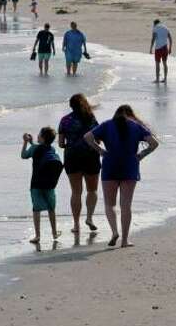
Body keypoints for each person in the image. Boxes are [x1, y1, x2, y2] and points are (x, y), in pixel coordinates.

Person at [83, 104, 159, 248]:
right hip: (130, 166)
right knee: (126, 206)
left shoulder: (107, 125)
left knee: (109, 204)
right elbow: (154, 143)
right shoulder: (136, 126)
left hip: (110, 164)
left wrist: (100, 151)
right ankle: (124, 240)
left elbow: (87, 137)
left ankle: (114, 232)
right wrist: (141, 154)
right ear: (129, 114)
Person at [58, 93, 101, 234]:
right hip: (90, 156)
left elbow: (60, 143)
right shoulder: (91, 118)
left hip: (72, 157)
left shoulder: (65, 120)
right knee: (92, 190)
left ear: (70, 105)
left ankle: (76, 225)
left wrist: (71, 144)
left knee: (76, 192)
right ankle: (89, 218)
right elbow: (98, 139)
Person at [21, 127, 62, 244]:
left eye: (39, 134)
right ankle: (54, 232)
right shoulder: (52, 148)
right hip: (49, 184)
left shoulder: (34, 148)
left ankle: (37, 235)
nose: (37, 135)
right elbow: (41, 150)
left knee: (36, 209)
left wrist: (25, 142)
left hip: (36, 184)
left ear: (42, 138)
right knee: (51, 208)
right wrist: (31, 142)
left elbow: (24, 155)